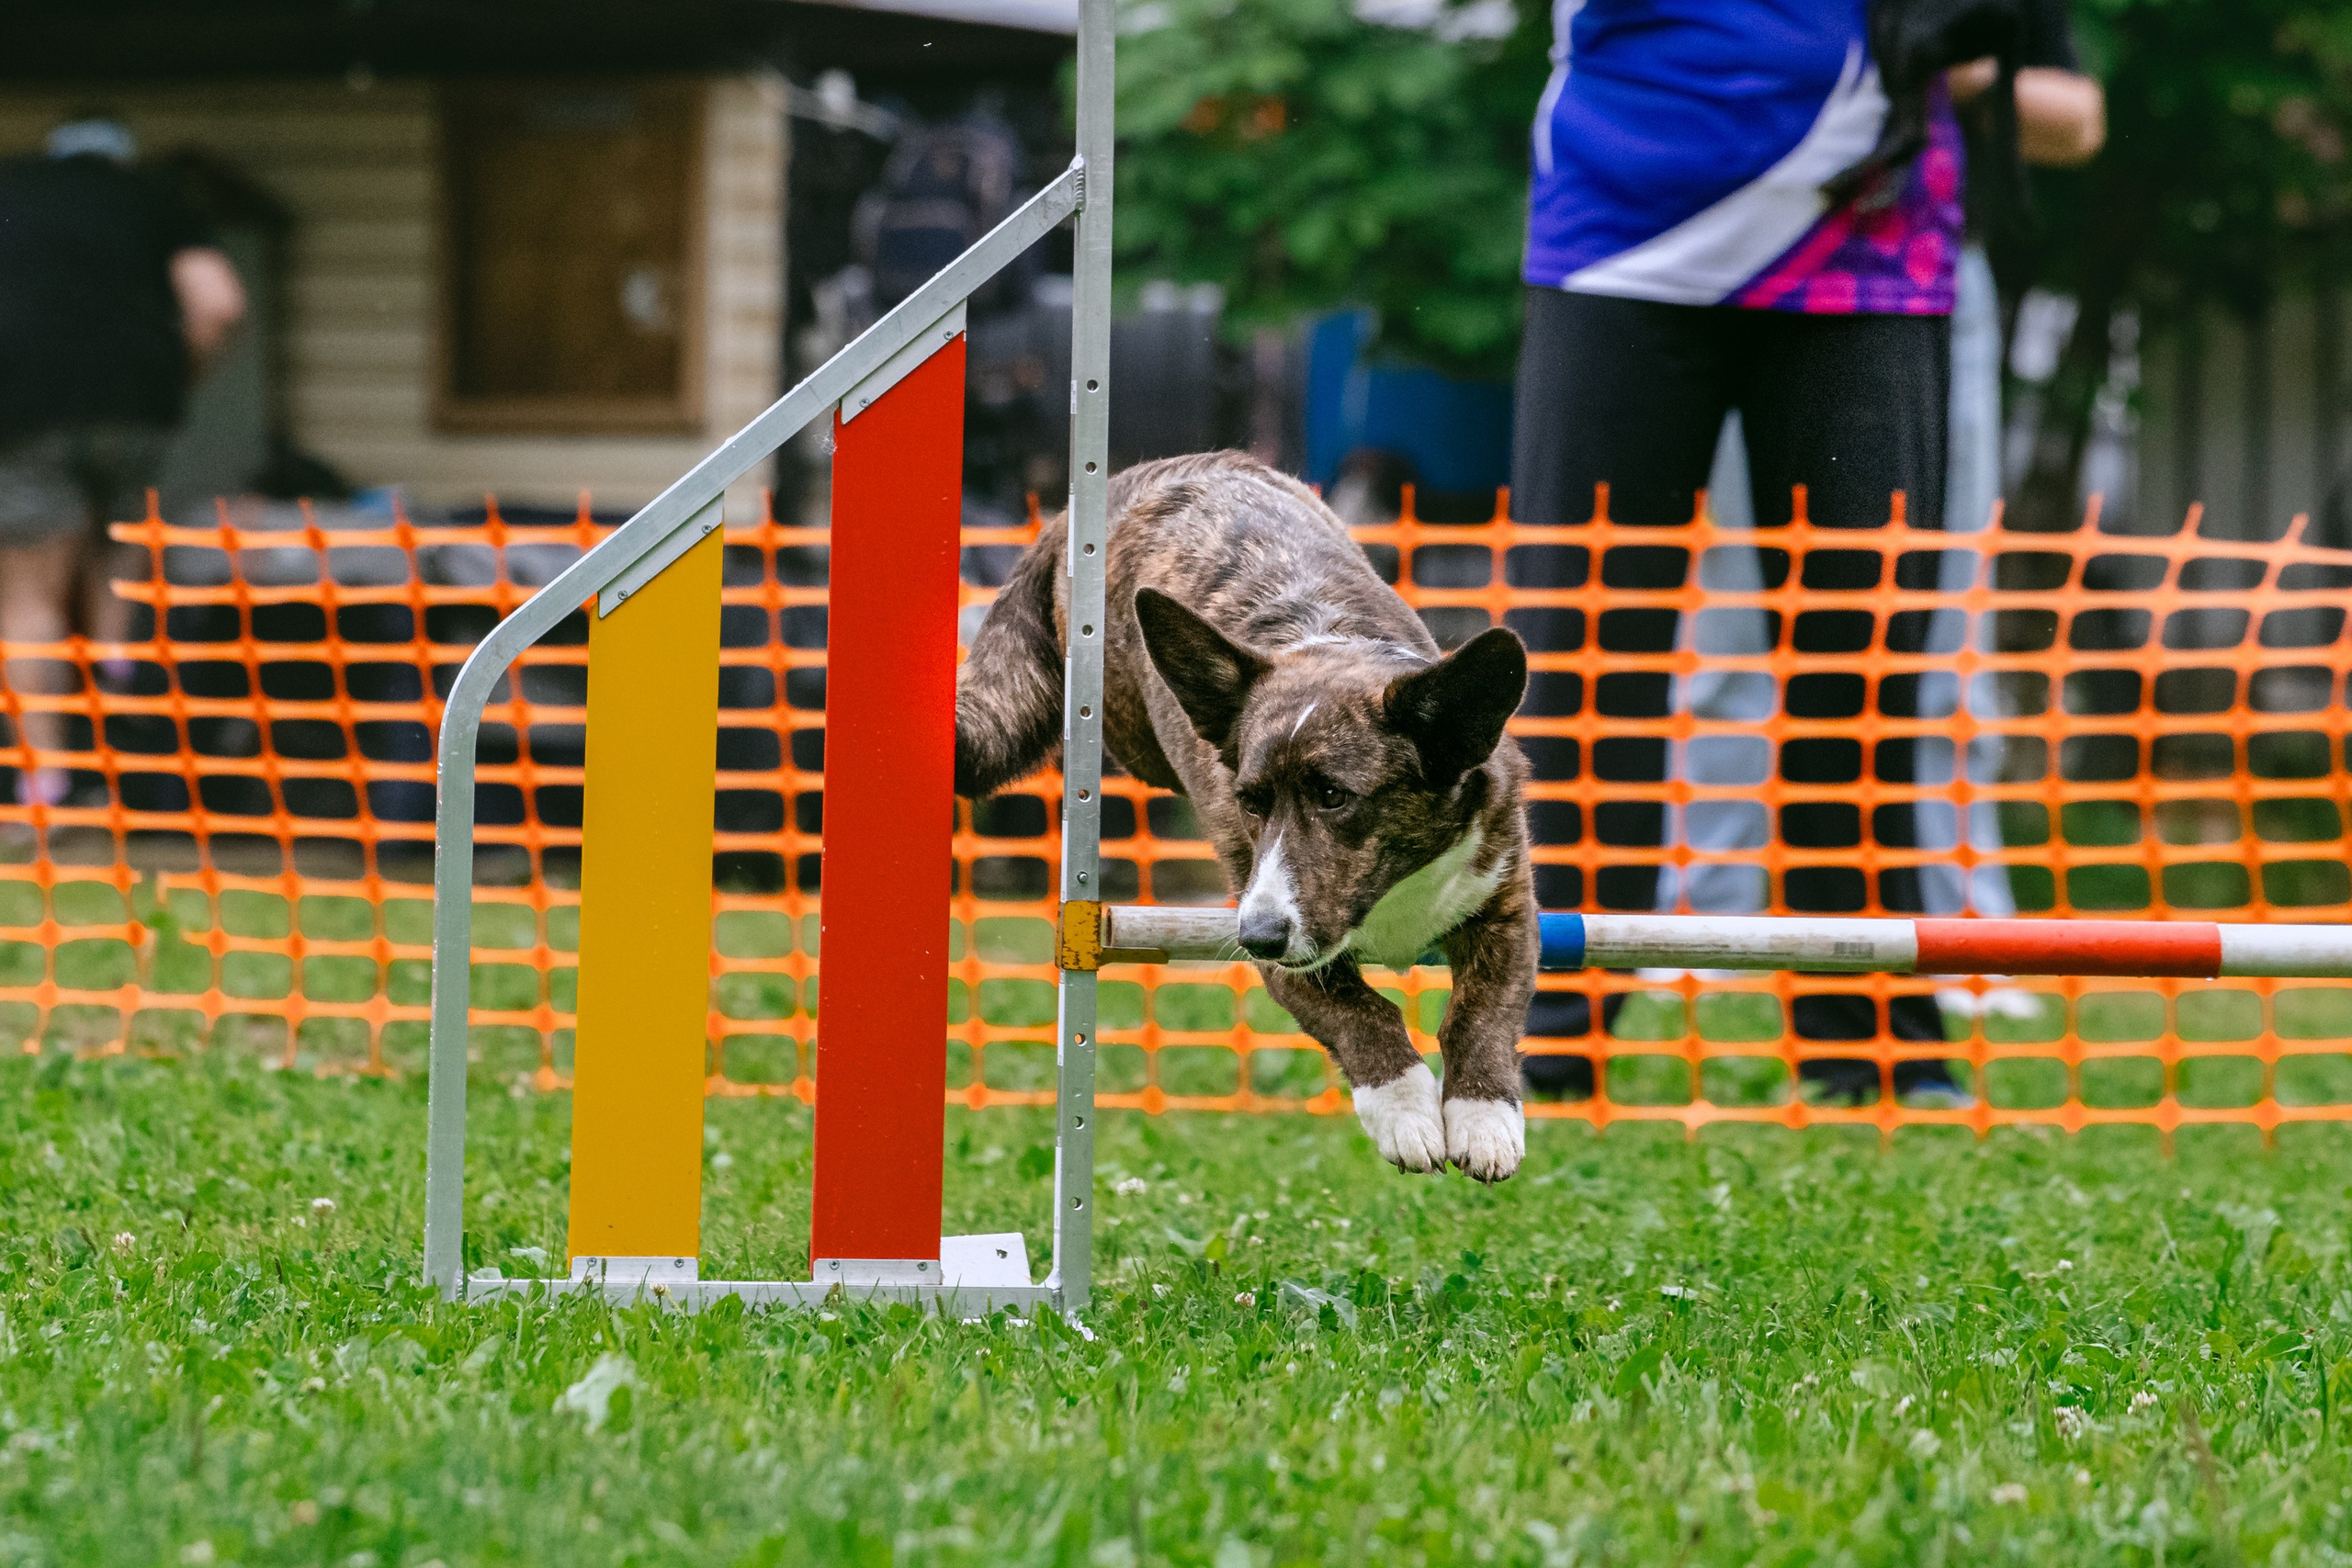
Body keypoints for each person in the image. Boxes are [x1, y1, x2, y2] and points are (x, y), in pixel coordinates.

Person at [1510, 2, 2098, 1106]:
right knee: (1584, 663)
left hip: (1866, 270)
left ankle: (1873, 1046)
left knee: (1859, 668)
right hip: (1616, 251)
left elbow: (2070, 111)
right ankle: (1546, 1034)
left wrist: (1954, 60)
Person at [0, 113, 244, 806]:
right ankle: (123, 745)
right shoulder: (155, 197)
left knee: (29, 599)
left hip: (25, 407)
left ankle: (44, 779)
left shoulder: (13, 192)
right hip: (133, 406)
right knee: (118, 569)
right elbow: (219, 305)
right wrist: (172, 382)